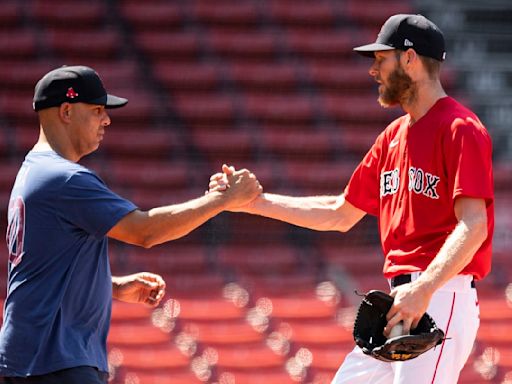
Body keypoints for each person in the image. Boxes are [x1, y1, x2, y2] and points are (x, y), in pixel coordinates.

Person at [209, 14, 494, 383]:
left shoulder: (460, 128)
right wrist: (256, 202)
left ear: (410, 59)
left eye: (381, 59)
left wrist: (425, 288)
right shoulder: (392, 138)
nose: (374, 71)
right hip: (402, 300)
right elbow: (339, 212)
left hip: (440, 295)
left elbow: (474, 225)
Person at [0, 65, 262, 383]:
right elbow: (145, 231)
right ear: (66, 111)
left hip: (34, 358)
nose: (106, 120)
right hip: (54, 362)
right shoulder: (64, 178)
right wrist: (222, 200)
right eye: (97, 110)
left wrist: (111, 287)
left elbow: (43, 270)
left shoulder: (33, 171)